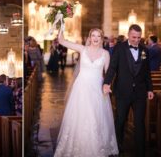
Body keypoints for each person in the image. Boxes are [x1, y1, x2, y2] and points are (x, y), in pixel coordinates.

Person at [54, 28, 118, 157]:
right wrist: (61, 20)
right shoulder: (82, 49)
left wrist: (107, 85)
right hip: (82, 88)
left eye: (98, 36)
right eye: (93, 35)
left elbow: (108, 74)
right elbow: (61, 40)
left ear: (101, 38)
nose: (95, 38)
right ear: (89, 37)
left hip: (97, 89)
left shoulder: (105, 54)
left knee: (96, 117)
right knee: (81, 116)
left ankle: (97, 147)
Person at [103, 24, 154, 157]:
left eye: (138, 37)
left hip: (140, 93)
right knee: (120, 121)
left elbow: (147, 72)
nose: (136, 40)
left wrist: (150, 89)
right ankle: (118, 147)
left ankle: (140, 151)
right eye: (133, 37)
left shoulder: (145, 50)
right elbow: (112, 68)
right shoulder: (119, 48)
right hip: (123, 92)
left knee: (139, 122)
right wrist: (106, 83)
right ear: (128, 34)